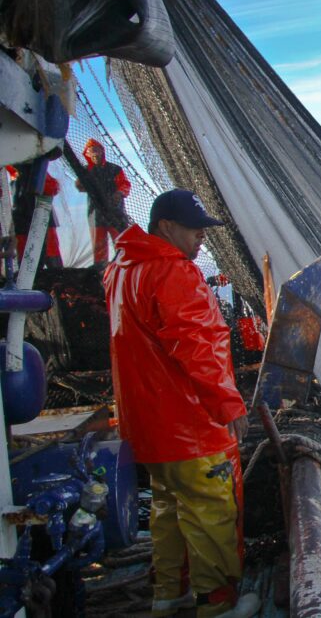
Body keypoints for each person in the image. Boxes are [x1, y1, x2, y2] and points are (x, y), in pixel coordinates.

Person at [103, 189, 259, 618]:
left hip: (149, 431)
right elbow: (198, 345)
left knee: (168, 509)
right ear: (166, 227)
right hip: (189, 427)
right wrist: (228, 404)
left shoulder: (120, 270)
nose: (201, 239)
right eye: (195, 230)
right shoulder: (173, 272)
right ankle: (217, 604)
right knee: (210, 508)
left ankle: (168, 596)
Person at [76, 138, 130, 265]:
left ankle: (125, 265)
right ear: (87, 154)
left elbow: (125, 184)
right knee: (99, 246)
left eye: (96, 150)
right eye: (91, 151)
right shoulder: (85, 171)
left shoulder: (115, 169)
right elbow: (80, 187)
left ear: (102, 152)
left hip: (115, 211)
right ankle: (101, 271)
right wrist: (80, 183)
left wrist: (120, 192)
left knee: (121, 242)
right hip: (95, 213)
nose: (94, 153)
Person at [6, 165, 63, 269]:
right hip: (21, 220)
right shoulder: (14, 175)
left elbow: (53, 188)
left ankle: (58, 279)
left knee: (50, 252)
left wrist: (41, 183)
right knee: (25, 257)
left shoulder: (38, 170)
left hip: (43, 217)